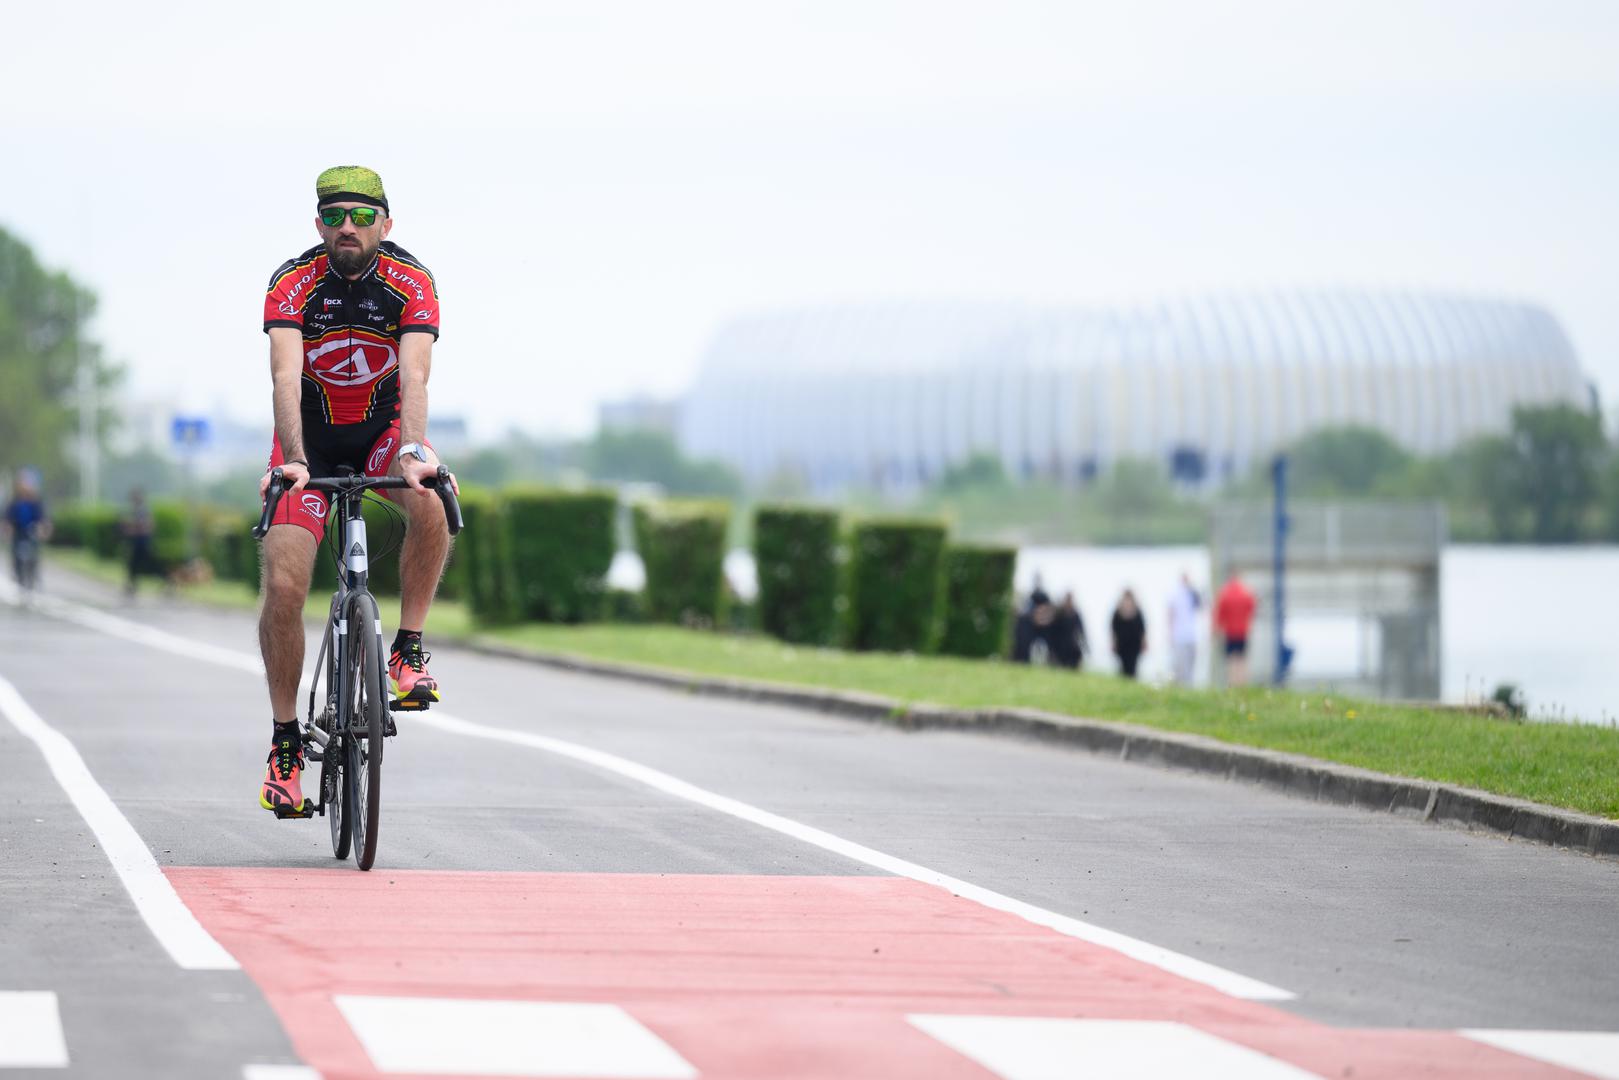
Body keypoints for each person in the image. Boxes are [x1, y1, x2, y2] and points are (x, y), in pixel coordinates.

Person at [256, 166, 457, 817]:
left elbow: (416, 378)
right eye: (336, 214)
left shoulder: (411, 282)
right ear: (318, 224)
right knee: (285, 584)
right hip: (308, 445)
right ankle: (286, 745)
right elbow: (286, 374)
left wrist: (415, 452)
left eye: (362, 215)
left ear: (386, 224)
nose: (349, 226)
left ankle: (407, 650)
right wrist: (292, 460)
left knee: (428, 498)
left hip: (381, 435)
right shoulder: (293, 282)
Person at [3, 468, 49, 593]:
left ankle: (34, 573)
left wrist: (43, 528)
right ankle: (17, 574)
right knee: (16, 553)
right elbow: (8, 517)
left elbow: (42, 517)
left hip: (31, 530)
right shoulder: (14, 502)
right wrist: (7, 527)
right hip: (18, 530)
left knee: (34, 552)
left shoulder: (36, 502)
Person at [1214, 572, 1258, 687]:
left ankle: (1232, 683)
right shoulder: (1246, 593)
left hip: (1230, 631)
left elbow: (1220, 612)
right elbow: (1252, 608)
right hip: (1243, 631)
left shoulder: (1225, 593)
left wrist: (1217, 628)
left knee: (1231, 659)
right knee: (1242, 659)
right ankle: (1242, 682)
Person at [122, 488, 160, 598]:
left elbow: (146, 525)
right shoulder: (136, 509)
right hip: (137, 541)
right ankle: (132, 584)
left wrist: (132, 529)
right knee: (133, 564)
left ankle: (168, 581)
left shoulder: (142, 510)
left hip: (143, 541)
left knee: (149, 563)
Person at [1167, 571, 1201, 686]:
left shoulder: (1192, 593)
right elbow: (1170, 614)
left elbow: (1200, 606)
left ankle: (1189, 686)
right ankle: (1181, 687)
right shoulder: (1175, 594)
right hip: (1179, 636)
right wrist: (1170, 634)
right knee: (1181, 666)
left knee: (1191, 665)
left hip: (1191, 636)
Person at [1110, 589, 1146, 679]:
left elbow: (1142, 628)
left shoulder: (1137, 612)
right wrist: (1113, 642)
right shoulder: (1117, 612)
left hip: (1134, 644)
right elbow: (1113, 628)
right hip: (1122, 645)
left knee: (1133, 666)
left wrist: (1144, 642)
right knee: (1123, 666)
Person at [1050, 591, 1087, 670]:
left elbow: (1081, 631)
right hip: (1059, 644)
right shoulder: (1059, 614)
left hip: (1071, 644)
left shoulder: (1075, 614)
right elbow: (1053, 630)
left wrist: (1084, 645)